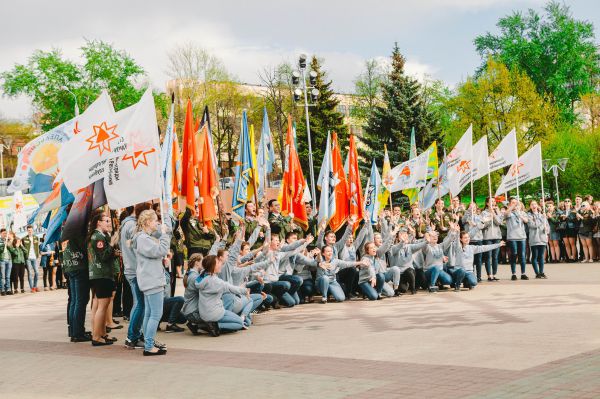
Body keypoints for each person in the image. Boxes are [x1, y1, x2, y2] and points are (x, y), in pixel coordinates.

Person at [132, 209, 171, 356]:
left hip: (149, 279)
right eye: (155, 220)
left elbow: (153, 255)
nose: (157, 223)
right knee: (155, 314)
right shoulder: (143, 238)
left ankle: (149, 341)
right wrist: (165, 234)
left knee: (149, 314)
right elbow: (160, 249)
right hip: (152, 280)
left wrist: (161, 260)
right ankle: (149, 345)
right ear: (148, 222)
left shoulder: (143, 238)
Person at [121, 203, 152, 349]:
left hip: (132, 268)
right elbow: (140, 249)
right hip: (135, 270)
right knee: (140, 304)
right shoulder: (132, 226)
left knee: (140, 303)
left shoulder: (128, 224)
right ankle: (132, 336)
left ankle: (135, 334)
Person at [87, 211, 119, 346]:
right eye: (106, 221)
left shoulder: (100, 236)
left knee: (103, 306)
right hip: (101, 274)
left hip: (102, 274)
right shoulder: (97, 237)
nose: (108, 223)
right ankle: (96, 337)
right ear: (98, 222)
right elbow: (103, 256)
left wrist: (114, 252)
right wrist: (112, 244)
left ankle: (102, 334)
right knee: (102, 306)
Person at [196, 255, 250, 334]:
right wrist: (245, 291)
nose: (221, 264)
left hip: (204, 313)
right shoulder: (215, 281)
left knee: (236, 319)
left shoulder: (202, 276)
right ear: (212, 266)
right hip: (215, 314)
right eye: (218, 262)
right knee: (240, 323)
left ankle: (204, 325)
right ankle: (215, 326)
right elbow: (230, 288)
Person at [63, 233, 91, 342]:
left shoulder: (68, 232)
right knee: (80, 301)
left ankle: (74, 330)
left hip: (70, 266)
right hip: (79, 267)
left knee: (74, 300)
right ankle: (78, 333)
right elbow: (85, 249)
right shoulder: (78, 233)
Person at [505, 198, 529, 280]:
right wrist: (512, 207)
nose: (515, 204)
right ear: (510, 204)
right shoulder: (509, 213)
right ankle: (514, 273)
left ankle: (523, 273)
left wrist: (520, 215)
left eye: (516, 203)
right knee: (514, 254)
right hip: (512, 237)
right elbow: (506, 213)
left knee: (522, 255)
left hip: (521, 237)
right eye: (513, 203)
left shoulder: (522, 213)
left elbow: (526, 221)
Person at [528, 201, 549, 278]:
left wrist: (547, 229)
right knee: (535, 256)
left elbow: (547, 225)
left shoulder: (542, 215)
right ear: (530, 206)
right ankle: (537, 273)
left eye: (535, 204)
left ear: (537, 205)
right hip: (534, 238)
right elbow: (533, 225)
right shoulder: (529, 215)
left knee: (541, 256)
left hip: (542, 238)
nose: (534, 205)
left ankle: (541, 272)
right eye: (532, 204)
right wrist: (541, 218)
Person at [22, 225, 40, 292]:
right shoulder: (24, 238)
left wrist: (37, 255)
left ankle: (35, 286)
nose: (30, 231)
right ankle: (32, 287)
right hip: (28, 258)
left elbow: (37, 247)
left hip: (34, 257)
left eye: (31, 230)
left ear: (33, 230)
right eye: (29, 230)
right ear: (27, 231)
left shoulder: (36, 237)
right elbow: (22, 248)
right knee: (29, 273)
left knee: (37, 272)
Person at [0, 228, 13, 295]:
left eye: (6, 233)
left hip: (9, 260)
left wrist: (9, 243)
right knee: (3, 276)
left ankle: (8, 289)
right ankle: (2, 290)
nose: (5, 235)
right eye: (4, 233)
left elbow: (12, 250)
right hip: (2, 260)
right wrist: (3, 244)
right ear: (0, 234)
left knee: (8, 276)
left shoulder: (7, 240)